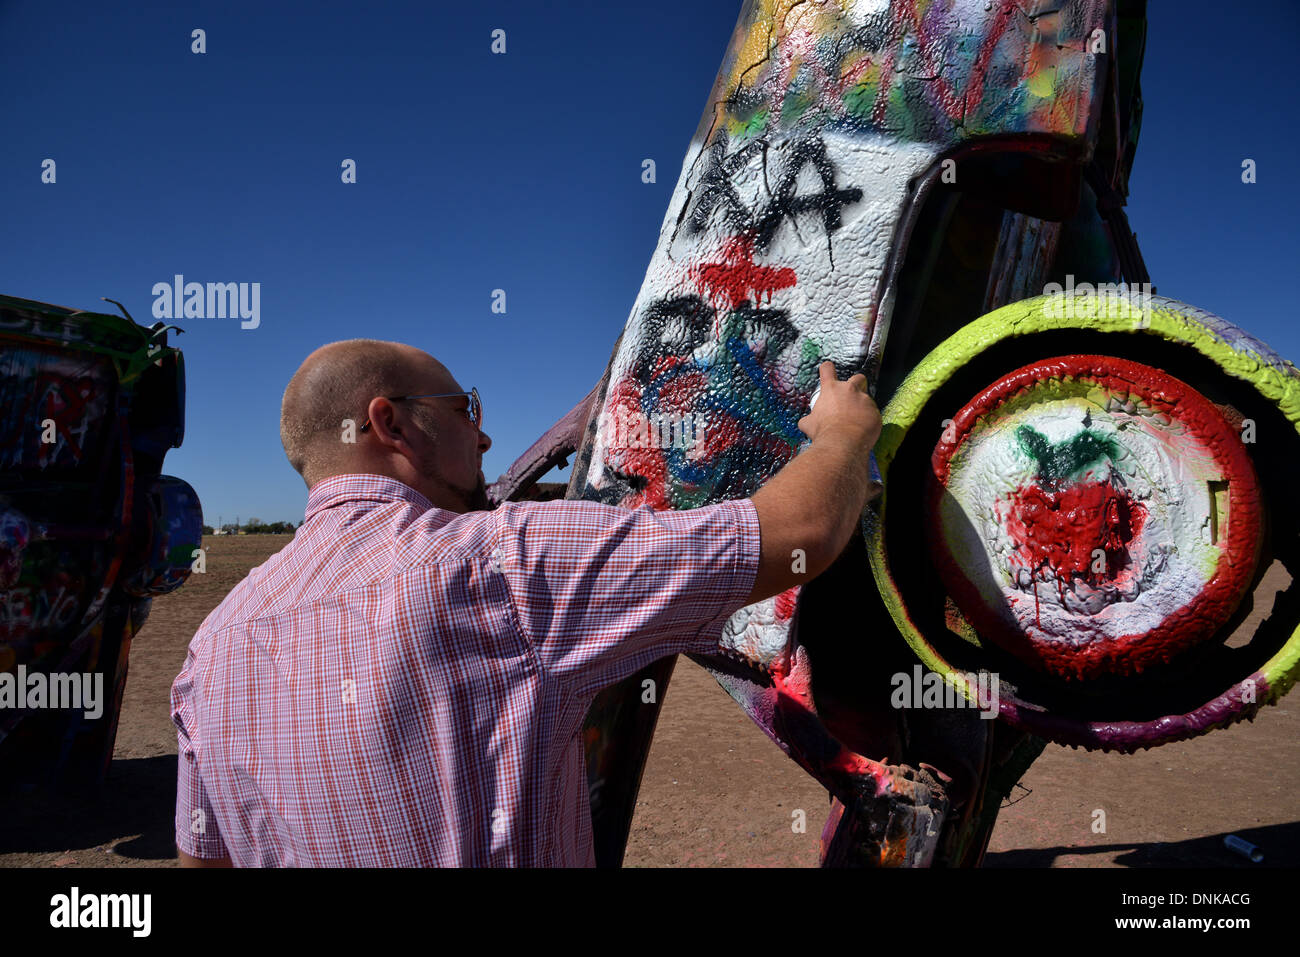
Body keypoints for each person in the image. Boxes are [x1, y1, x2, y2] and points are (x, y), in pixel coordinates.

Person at [171, 340, 881, 866]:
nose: (483, 435)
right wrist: (845, 434)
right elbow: (797, 534)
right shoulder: (500, 562)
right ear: (389, 424)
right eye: (463, 409)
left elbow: (205, 858)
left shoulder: (214, 646)